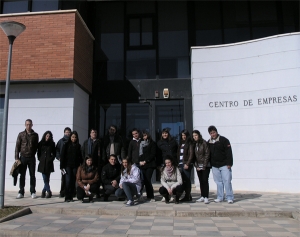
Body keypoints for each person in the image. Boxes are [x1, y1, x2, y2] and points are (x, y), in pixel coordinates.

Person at [207, 126, 234, 204]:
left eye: (214, 132)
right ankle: (220, 197)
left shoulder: (224, 140)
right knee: (218, 182)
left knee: (227, 181)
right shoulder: (209, 142)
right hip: (215, 165)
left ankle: (229, 197)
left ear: (216, 132)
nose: (213, 134)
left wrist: (229, 163)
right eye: (211, 133)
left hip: (224, 164)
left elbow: (229, 152)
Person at [15, 119, 39, 199]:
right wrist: (16, 158)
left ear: (32, 125)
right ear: (25, 125)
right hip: (23, 157)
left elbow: (36, 146)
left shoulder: (35, 135)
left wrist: (33, 154)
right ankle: (21, 192)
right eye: (27, 124)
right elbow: (17, 146)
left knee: (32, 175)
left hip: (31, 158)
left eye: (30, 124)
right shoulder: (21, 134)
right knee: (22, 175)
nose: (28, 126)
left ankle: (33, 191)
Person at [60, 131, 83, 202]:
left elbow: (80, 157)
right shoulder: (66, 144)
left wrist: (81, 165)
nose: (74, 138)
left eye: (75, 137)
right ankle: (67, 196)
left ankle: (71, 196)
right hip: (67, 166)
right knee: (68, 181)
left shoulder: (78, 146)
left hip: (75, 166)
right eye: (73, 137)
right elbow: (62, 155)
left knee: (73, 181)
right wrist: (61, 166)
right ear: (70, 137)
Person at [157, 128, 178, 202]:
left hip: (173, 163)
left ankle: (172, 195)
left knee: (173, 179)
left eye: (166, 133)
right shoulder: (159, 143)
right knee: (164, 180)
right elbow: (158, 154)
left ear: (168, 134)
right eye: (163, 133)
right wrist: (159, 165)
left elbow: (177, 151)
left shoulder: (173, 141)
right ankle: (165, 195)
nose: (164, 134)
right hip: (164, 163)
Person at [81, 128, 102, 197]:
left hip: (96, 163)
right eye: (93, 132)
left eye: (95, 132)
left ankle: (97, 192)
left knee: (96, 178)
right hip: (87, 163)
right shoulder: (86, 142)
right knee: (88, 177)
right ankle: (87, 190)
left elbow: (102, 153)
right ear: (90, 134)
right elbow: (82, 152)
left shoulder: (99, 142)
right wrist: (84, 161)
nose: (94, 133)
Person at [193, 130, 210, 204]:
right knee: (201, 181)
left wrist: (204, 165)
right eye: (193, 136)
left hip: (205, 165)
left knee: (205, 180)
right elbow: (194, 156)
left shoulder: (204, 143)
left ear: (199, 135)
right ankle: (202, 196)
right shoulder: (195, 144)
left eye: (196, 135)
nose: (194, 137)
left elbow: (207, 154)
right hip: (198, 166)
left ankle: (206, 197)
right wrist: (196, 165)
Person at [37, 131, 56, 198]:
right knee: (45, 178)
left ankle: (43, 191)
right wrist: (40, 159)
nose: (48, 137)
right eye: (47, 136)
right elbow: (38, 153)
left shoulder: (52, 144)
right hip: (42, 163)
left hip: (49, 163)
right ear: (45, 136)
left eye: (49, 136)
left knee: (47, 178)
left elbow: (54, 153)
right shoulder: (40, 144)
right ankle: (48, 191)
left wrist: (51, 159)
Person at [177, 129, 194, 202]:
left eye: (185, 135)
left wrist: (187, 163)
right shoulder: (181, 143)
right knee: (183, 180)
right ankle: (188, 195)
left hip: (186, 164)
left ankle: (187, 196)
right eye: (182, 135)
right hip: (180, 164)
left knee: (187, 180)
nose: (183, 137)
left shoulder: (190, 143)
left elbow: (191, 154)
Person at [139, 131, 156, 202]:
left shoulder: (152, 143)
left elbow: (152, 154)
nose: (144, 137)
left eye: (145, 135)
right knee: (142, 180)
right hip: (142, 165)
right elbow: (140, 154)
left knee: (148, 179)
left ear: (148, 135)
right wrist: (140, 161)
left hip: (150, 164)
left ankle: (151, 196)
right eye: (143, 136)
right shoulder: (141, 144)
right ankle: (140, 195)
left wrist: (145, 161)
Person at [56, 127, 71, 198]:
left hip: (70, 163)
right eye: (66, 132)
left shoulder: (72, 141)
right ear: (64, 133)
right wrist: (59, 157)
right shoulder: (61, 141)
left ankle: (71, 192)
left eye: (69, 132)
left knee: (70, 178)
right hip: (63, 163)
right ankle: (62, 192)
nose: (68, 133)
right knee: (64, 178)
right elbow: (57, 150)